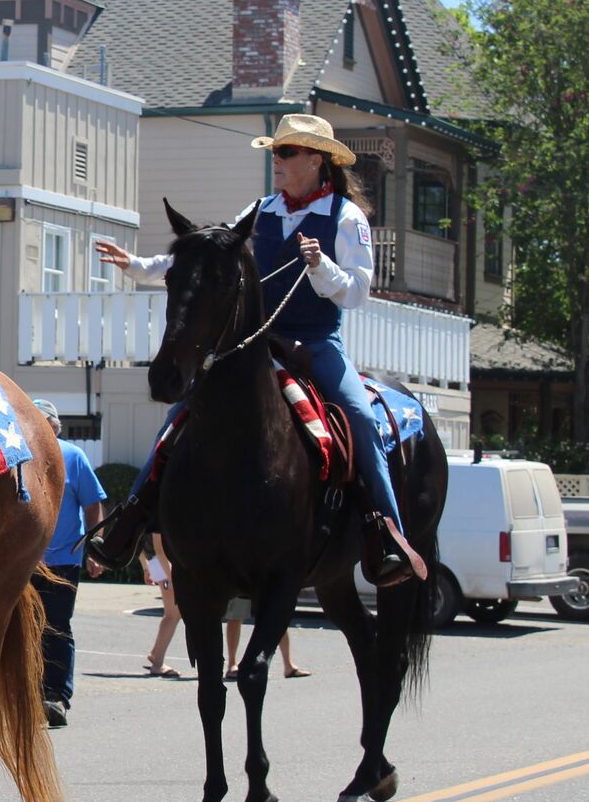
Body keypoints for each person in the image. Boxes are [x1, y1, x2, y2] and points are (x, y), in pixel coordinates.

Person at [87, 113, 426, 586]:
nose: (277, 161)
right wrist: (139, 266)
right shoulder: (261, 209)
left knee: (359, 416)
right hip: (256, 344)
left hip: (316, 344)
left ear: (316, 160)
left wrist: (322, 267)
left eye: (286, 152)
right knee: (179, 415)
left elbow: (356, 293)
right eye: (275, 152)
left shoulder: (346, 217)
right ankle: (132, 518)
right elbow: (209, 257)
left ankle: (387, 533)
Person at [35, 401, 105, 727]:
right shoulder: (23, 452)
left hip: (63, 559)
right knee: (24, 629)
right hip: (24, 562)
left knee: (57, 627)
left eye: (40, 421)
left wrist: (96, 550)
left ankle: (57, 696)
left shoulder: (74, 457)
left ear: (54, 426)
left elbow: (92, 505)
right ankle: (30, 694)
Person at [143, 534, 183, 678]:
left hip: (158, 563)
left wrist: (145, 567)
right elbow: (159, 548)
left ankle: (156, 654)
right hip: (163, 564)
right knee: (172, 615)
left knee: (173, 614)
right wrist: (171, 578)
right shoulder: (159, 520)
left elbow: (140, 544)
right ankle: (157, 664)